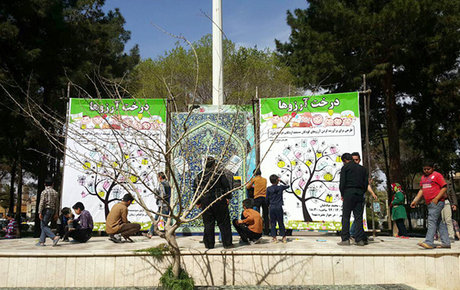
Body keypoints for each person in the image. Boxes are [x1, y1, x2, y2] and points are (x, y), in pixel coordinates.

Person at [193, 156, 233, 249]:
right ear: (214, 164)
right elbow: (226, 187)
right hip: (219, 200)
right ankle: (227, 243)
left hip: (205, 201)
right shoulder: (219, 174)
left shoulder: (200, 176)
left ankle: (209, 244)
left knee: (208, 223)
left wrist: (198, 202)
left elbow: (196, 190)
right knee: (224, 223)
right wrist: (227, 197)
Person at [410, 161, 450, 249]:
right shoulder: (423, 178)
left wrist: (436, 198)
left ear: (433, 168)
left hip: (437, 202)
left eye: (428, 169)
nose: (426, 171)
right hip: (429, 203)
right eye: (424, 169)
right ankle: (446, 242)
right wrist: (415, 200)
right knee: (439, 222)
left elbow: (444, 187)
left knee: (431, 220)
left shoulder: (437, 175)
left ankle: (429, 242)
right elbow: (421, 190)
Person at [338, 153, 368, 246]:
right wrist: (362, 192)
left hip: (348, 193)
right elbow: (366, 184)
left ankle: (345, 239)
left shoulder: (345, 168)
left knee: (346, 216)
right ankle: (359, 240)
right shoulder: (362, 169)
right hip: (359, 194)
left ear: (344, 160)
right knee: (358, 217)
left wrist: (343, 194)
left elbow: (342, 183)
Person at [349, 152, 378, 240]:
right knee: (348, 215)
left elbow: (366, 184)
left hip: (360, 196)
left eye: (357, 160)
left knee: (359, 215)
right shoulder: (348, 170)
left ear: (359, 160)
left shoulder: (362, 170)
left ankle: (354, 233)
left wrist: (373, 193)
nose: (355, 162)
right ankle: (351, 233)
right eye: (353, 160)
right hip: (350, 196)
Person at [145, 172, 172, 238]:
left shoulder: (162, 184)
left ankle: (171, 233)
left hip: (163, 204)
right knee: (156, 219)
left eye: (157, 177)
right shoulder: (168, 184)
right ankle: (150, 233)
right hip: (164, 204)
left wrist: (156, 194)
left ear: (160, 177)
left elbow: (163, 195)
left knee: (165, 220)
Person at [37, 177, 60, 247]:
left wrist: (39, 212)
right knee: (45, 225)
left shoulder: (44, 192)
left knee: (43, 226)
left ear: (44, 184)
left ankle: (54, 237)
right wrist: (56, 213)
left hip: (46, 210)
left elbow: (41, 202)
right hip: (52, 210)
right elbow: (57, 203)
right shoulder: (55, 192)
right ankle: (41, 242)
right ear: (52, 184)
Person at [266, 174, 289, 243]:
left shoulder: (269, 189)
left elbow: (266, 199)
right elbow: (288, 186)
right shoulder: (280, 188)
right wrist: (281, 181)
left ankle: (274, 238)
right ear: (277, 180)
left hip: (272, 207)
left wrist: (268, 205)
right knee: (281, 222)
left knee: (273, 223)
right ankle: (283, 237)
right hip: (279, 207)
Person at [246, 169, 269, 235]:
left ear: (254, 174)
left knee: (257, 215)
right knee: (265, 215)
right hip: (264, 198)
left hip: (257, 198)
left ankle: (258, 230)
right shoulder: (265, 179)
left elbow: (248, 187)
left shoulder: (254, 179)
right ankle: (266, 231)